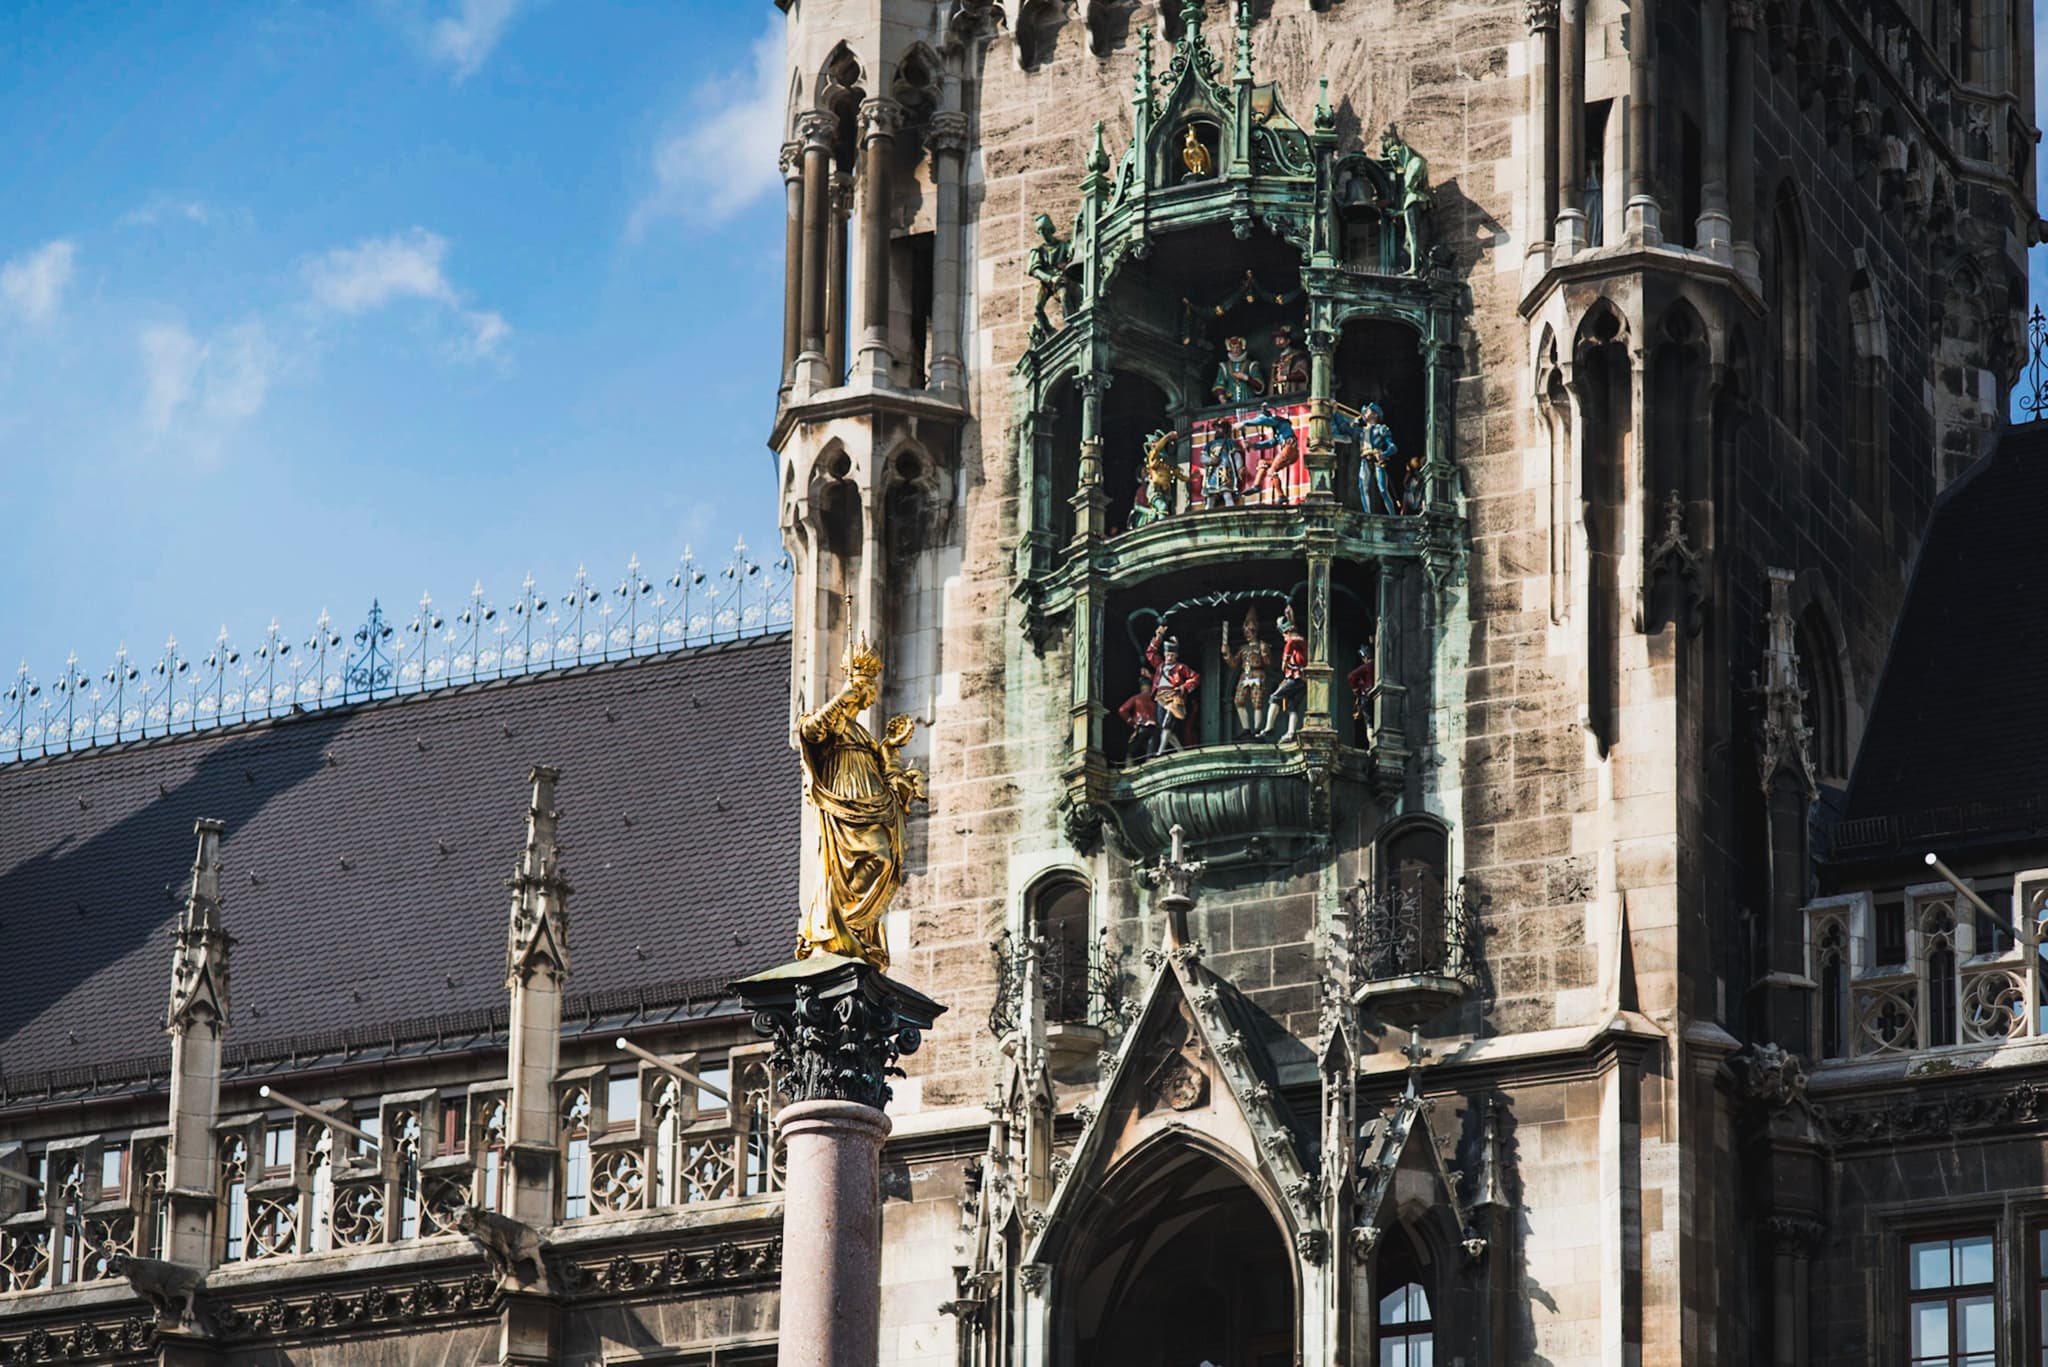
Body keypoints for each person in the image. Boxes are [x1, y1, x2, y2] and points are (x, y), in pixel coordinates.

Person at [794, 629, 927, 970]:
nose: (871, 693)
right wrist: (840, 697)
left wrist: (905, 781)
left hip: (870, 801)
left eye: (872, 688)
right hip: (842, 800)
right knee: (865, 860)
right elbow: (809, 734)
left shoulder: (867, 737)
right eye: (866, 687)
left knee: (882, 859)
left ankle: (854, 928)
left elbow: (889, 775)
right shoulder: (834, 721)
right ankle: (837, 923)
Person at [1145, 626, 1201, 756]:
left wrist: (1184, 687)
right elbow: (1150, 654)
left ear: (1176, 655)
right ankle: (1180, 750)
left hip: (1174, 697)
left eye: (1172, 655)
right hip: (1160, 697)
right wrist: (1158, 637)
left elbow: (1196, 677)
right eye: (1167, 655)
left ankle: (1160, 751)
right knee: (1163, 726)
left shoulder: (1180, 667)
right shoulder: (1160, 665)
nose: (1169, 657)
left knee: (1166, 726)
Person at [1258, 606, 1307, 742]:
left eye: (1284, 635)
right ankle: (1290, 733)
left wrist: (1284, 660)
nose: (1284, 638)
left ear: (1288, 631)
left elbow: (1290, 643)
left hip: (1297, 678)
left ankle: (1268, 728)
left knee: (1275, 697)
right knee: (1292, 707)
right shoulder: (1299, 641)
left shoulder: (1296, 640)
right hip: (1300, 679)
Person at [1027, 212, 1079, 338]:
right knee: (1037, 307)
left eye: (1044, 229)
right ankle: (1048, 331)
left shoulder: (1062, 246)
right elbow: (1034, 270)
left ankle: (1072, 325)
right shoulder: (1039, 250)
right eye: (1040, 230)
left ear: (1050, 229)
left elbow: (1072, 251)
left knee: (1065, 296)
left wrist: (1077, 226)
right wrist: (1050, 278)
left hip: (1060, 280)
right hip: (1045, 282)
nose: (1043, 233)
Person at [1223, 608, 1273, 738]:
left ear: (1255, 631)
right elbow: (1234, 664)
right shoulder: (1243, 649)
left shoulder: (1261, 645)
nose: (1248, 634)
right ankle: (1245, 729)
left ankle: (1257, 729)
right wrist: (1227, 654)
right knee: (1238, 701)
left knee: (1257, 702)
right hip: (1245, 675)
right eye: (1246, 632)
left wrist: (1264, 652)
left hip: (1257, 674)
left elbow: (1267, 662)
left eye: (1250, 631)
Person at [1240, 406, 1303, 506]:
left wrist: (1245, 423)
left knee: (1272, 471)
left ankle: (1281, 496)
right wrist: (1253, 445)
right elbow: (1270, 443)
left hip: (1289, 449)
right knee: (1263, 463)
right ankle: (1256, 485)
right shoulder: (1279, 432)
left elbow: (1264, 420)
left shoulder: (1279, 422)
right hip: (1288, 452)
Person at [1357, 402, 1398, 515]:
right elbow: (1346, 430)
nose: (1365, 413)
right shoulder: (1361, 431)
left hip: (1377, 460)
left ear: (1375, 415)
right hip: (1365, 460)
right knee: (1362, 487)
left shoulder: (1381, 429)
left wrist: (1383, 454)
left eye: (1368, 411)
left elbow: (1393, 447)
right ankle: (1367, 514)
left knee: (1383, 489)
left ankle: (1392, 515)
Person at [1117, 663, 1160, 762]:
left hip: (1141, 726)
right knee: (1151, 753)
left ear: (1141, 687)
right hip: (1154, 727)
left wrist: (1132, 722)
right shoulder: (1156, 699)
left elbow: (1122, 710)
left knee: (1131, 750)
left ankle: (1129, 763)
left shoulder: (1136, 698)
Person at [1200, 418, 1245, 509]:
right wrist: (1210, 460)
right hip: (1212, 471)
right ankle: (1208, 512)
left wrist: (1239, 468)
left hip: (1225, 469)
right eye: (1216, 428)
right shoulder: (1209, 444)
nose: (1217, 430)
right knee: (1210, 496)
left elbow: (1236, 456)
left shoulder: (1230, 442)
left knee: (1227, 494)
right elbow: (1203, 458)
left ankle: (1230, 510)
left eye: (1219, 428)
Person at [1211, 335, 1265, 405]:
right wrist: (1221, 396)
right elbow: (1219, 384)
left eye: (1237, 347)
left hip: (1248, 400)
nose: (1235, 350)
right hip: (1231, 401)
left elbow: (1260, 386)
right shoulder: (1224, 366)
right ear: (1230, 349)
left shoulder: (1251, 365)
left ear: (1242, 348)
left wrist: (1246, 378)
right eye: (1233, 348)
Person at [1269, 325, 1311, 396]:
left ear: (1288, 341)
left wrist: (1285, 377)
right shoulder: (1277, 361)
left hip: (1293, 395)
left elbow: (1303, 375)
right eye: (1276, 340)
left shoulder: (1297, 356)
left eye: (1280, 339)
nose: (1278, 342)